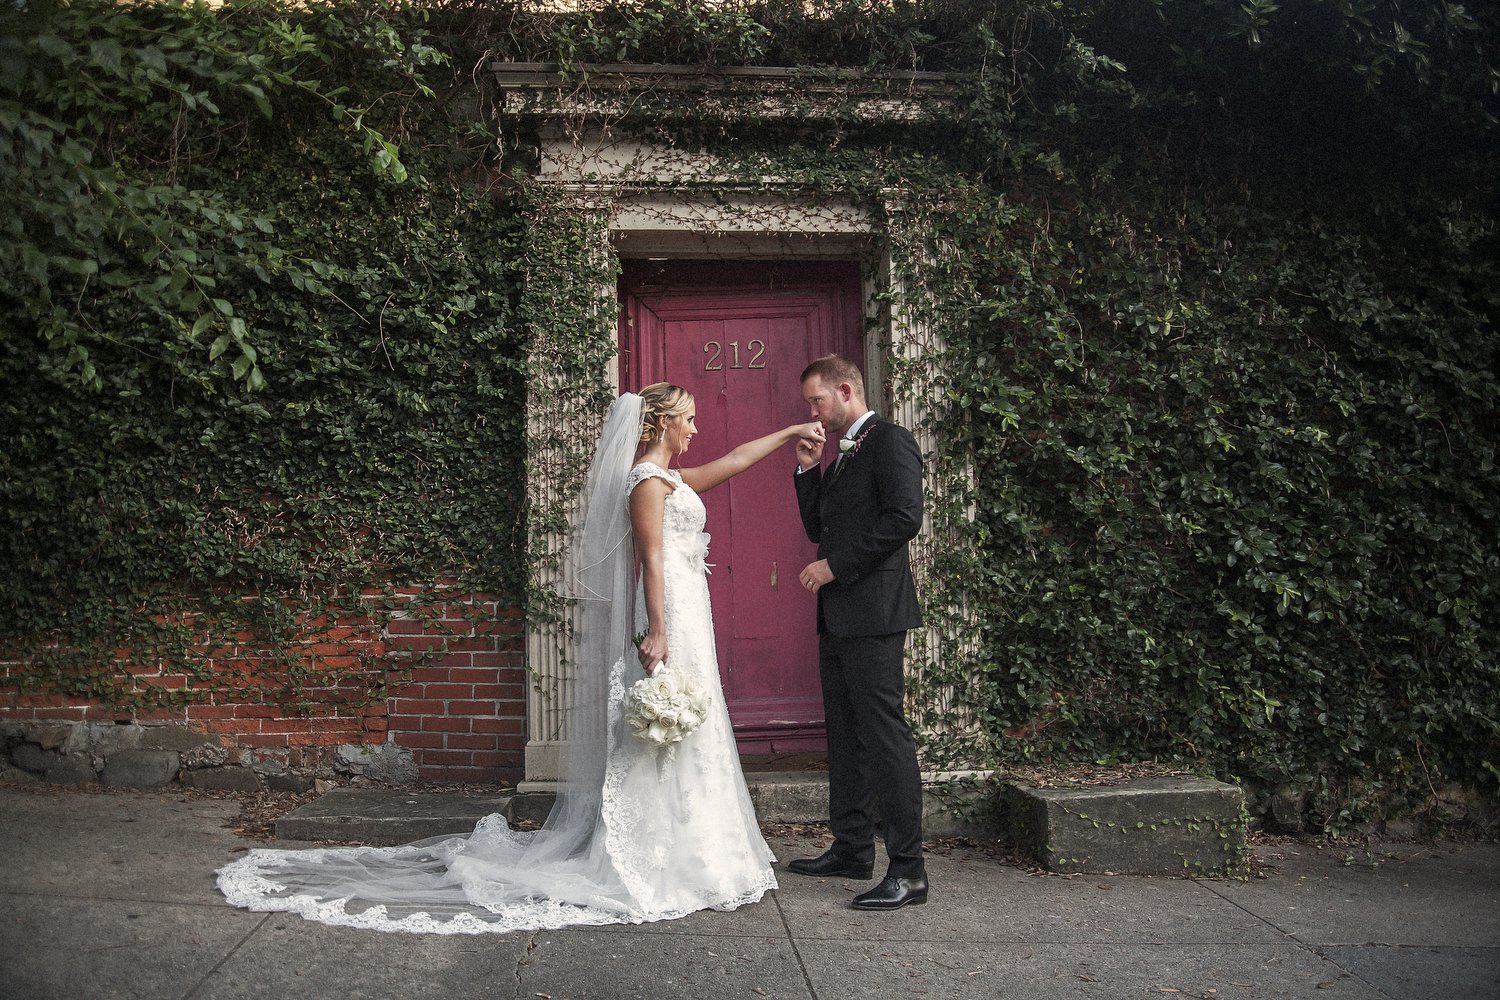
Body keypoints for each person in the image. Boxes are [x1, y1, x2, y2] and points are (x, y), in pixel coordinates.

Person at [216, 384, 824, 933]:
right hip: (671, 614)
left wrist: (789, 434)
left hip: (694, 609)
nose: (695, 429)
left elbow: (734, 461)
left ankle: (700, 847)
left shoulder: (672, 479)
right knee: (661, 730)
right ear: (662, 424)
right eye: (688, 420)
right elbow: (652, 562)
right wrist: (659, 630)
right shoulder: (644, 484)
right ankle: (652, 855)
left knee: (696, 725)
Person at [788, 354, 929, 911]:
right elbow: (820, 527)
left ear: (846, 390)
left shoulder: (891, 440)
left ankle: (909, 869)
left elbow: (904, 518)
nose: (812, 414)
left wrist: (835, 567)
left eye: (816, 401)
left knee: (885, 738)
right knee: (845, 735)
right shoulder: (843, 453)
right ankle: (851, 848)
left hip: (875, 614)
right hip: (840, 616)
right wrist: (807, 470)